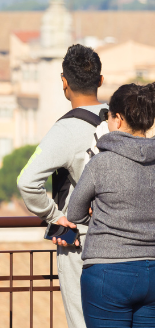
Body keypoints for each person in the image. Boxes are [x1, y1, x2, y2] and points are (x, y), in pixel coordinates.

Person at [17, 44, 106, 328]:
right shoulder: (121, 118)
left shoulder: (65, 129)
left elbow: (27, 182)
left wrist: (55, 217)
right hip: (129, 242)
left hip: (81, 241)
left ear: (64, 83)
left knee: (83, 320)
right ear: (101, 80)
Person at [67, 83, 155, 328]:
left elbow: (74, 212)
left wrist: (97, 215)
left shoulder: (101, 162)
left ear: (117, 119)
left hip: (108, 272)